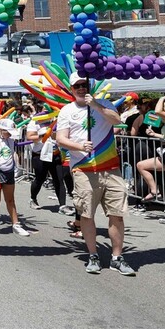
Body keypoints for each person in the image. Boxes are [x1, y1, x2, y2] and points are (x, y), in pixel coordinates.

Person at [56, 77, 135, 275]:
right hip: (84, 169)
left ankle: (117, 257)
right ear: (71, 89)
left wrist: (96, 105)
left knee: (117, 214)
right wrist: (79, 146)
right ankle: (93, 255)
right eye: (78, 86)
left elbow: (117, 121)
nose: (82, 89)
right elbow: (60, 138)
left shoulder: (105, 104)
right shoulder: (67, 110)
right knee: (86, 215)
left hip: (110, 168)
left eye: (85, 85)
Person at [0, 118, 30, 236]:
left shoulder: (10, 141)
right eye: (7, 132)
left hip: (8, 172)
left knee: (10, 199)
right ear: (1, 129)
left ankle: (16, 224)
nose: (9, 134)